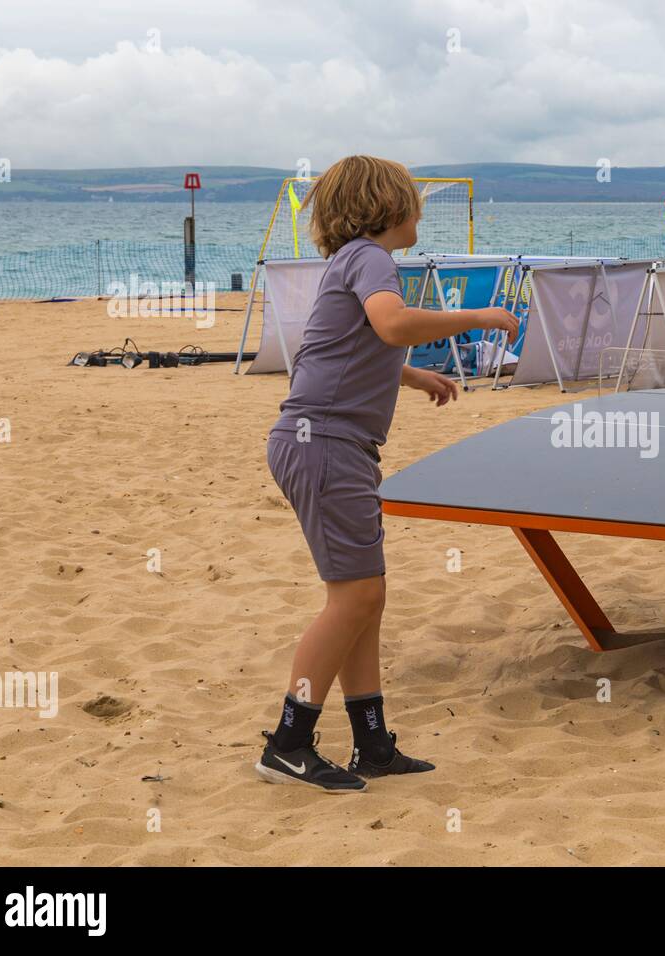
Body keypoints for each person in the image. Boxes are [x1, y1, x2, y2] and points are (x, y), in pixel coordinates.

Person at [256, 156, 520, 791]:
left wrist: (410, 373)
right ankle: (288, 744)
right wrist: (481, 317)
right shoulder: (370, 259)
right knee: (357, 597)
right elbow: (392, 324)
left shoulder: (346, 261)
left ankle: (371, 744)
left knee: (364, 599)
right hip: (326, 442)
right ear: (388, 207)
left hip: (320, 440)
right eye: (415, 201)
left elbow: (343, 346)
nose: (423, 213)